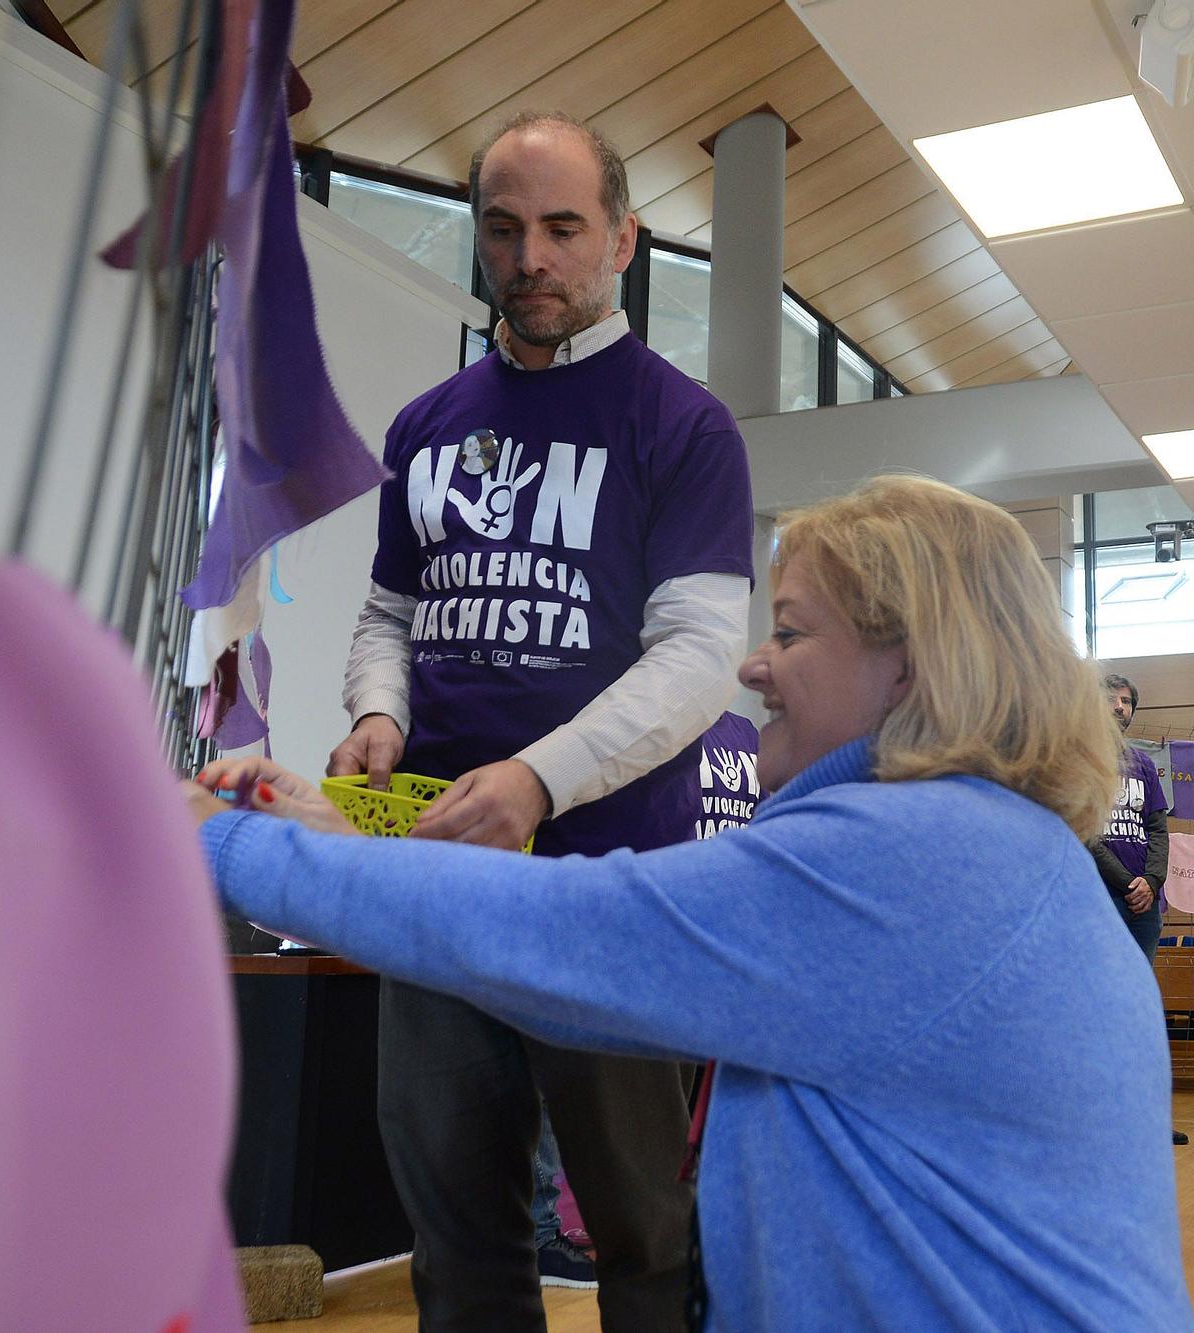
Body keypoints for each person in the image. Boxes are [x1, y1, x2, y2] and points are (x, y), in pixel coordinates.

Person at [188, 476, 1194, 1330]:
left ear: (912, 665)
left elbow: (553, 938)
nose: (752, 665)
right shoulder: (988, 846)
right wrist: (328, 840)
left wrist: (218, 839)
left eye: (793, 633)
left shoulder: (913, 854)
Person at [328, 109, 754, 1330]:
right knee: (457, 1243)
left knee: (643, 1239)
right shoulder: (424, 426)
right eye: (503, 229)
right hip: (440, 891)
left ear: (620, 239)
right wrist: (376, 714)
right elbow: (386, 617)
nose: (531, 258)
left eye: (563, 228)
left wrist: (534, 779)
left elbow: (695, 662)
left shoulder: (683, 426)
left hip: (610, 894)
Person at [533, 711, 762, 1290]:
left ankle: (687, 1227)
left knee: (680, 1101)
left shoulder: (741, 734)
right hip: (652, 929)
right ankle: (559, 1227)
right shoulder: (643, 722)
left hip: (706, 936)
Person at [1087, 673, 1169, 959]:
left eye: (1126, 701)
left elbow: (1158, 829)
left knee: (1141, 986)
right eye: (1111, 700)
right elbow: (1085, 833)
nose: (1120, 707)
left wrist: (1152, 882)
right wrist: (1130, 884)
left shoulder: (1143, 763)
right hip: (1101, 894)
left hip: (1146, 901)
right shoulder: (1078, 758)